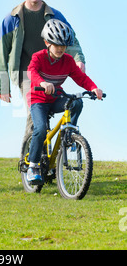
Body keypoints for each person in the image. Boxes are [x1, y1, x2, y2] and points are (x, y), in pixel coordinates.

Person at [0, 0, 85, 161]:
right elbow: (1, 53)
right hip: (27, 74)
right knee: (36, 117)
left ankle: (59, 152)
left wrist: (78, 58)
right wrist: (3, 86)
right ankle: (30, 161)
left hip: (52, 71)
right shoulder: (12, 19)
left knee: (70, 104)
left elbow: (71, 39)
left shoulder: (54, 15)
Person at [25, 19, 103, 184]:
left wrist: (94, 88)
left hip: (55, 98)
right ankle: (33, 165)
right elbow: (31, 72)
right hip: (38, 100)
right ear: (47, 42)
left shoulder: (67, 61)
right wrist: (42, 83)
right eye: (56, 44)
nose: (60, 48)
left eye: (63, 45)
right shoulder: (38, 57)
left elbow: (81, 78)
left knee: (77, 102)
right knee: (40, 129)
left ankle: (70, 132)